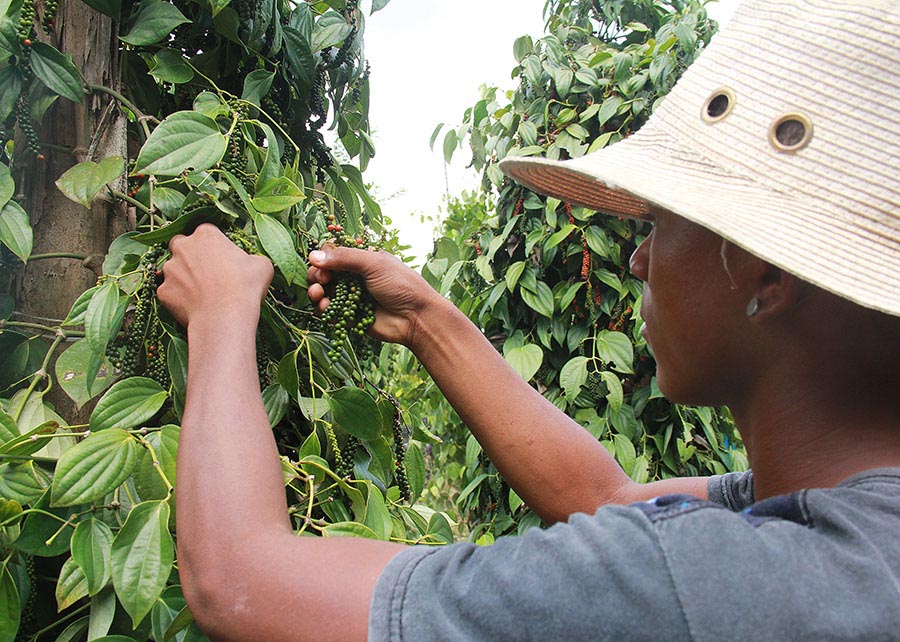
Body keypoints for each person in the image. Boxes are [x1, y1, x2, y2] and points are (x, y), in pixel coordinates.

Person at [156, 0, 900, 639]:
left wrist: (221, 312)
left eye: (659, 223)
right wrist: (424, 320)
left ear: (765, 274)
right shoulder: (853, 528)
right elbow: (599, 497)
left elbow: (239, 580)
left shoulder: (713, 584)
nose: (639, 262)